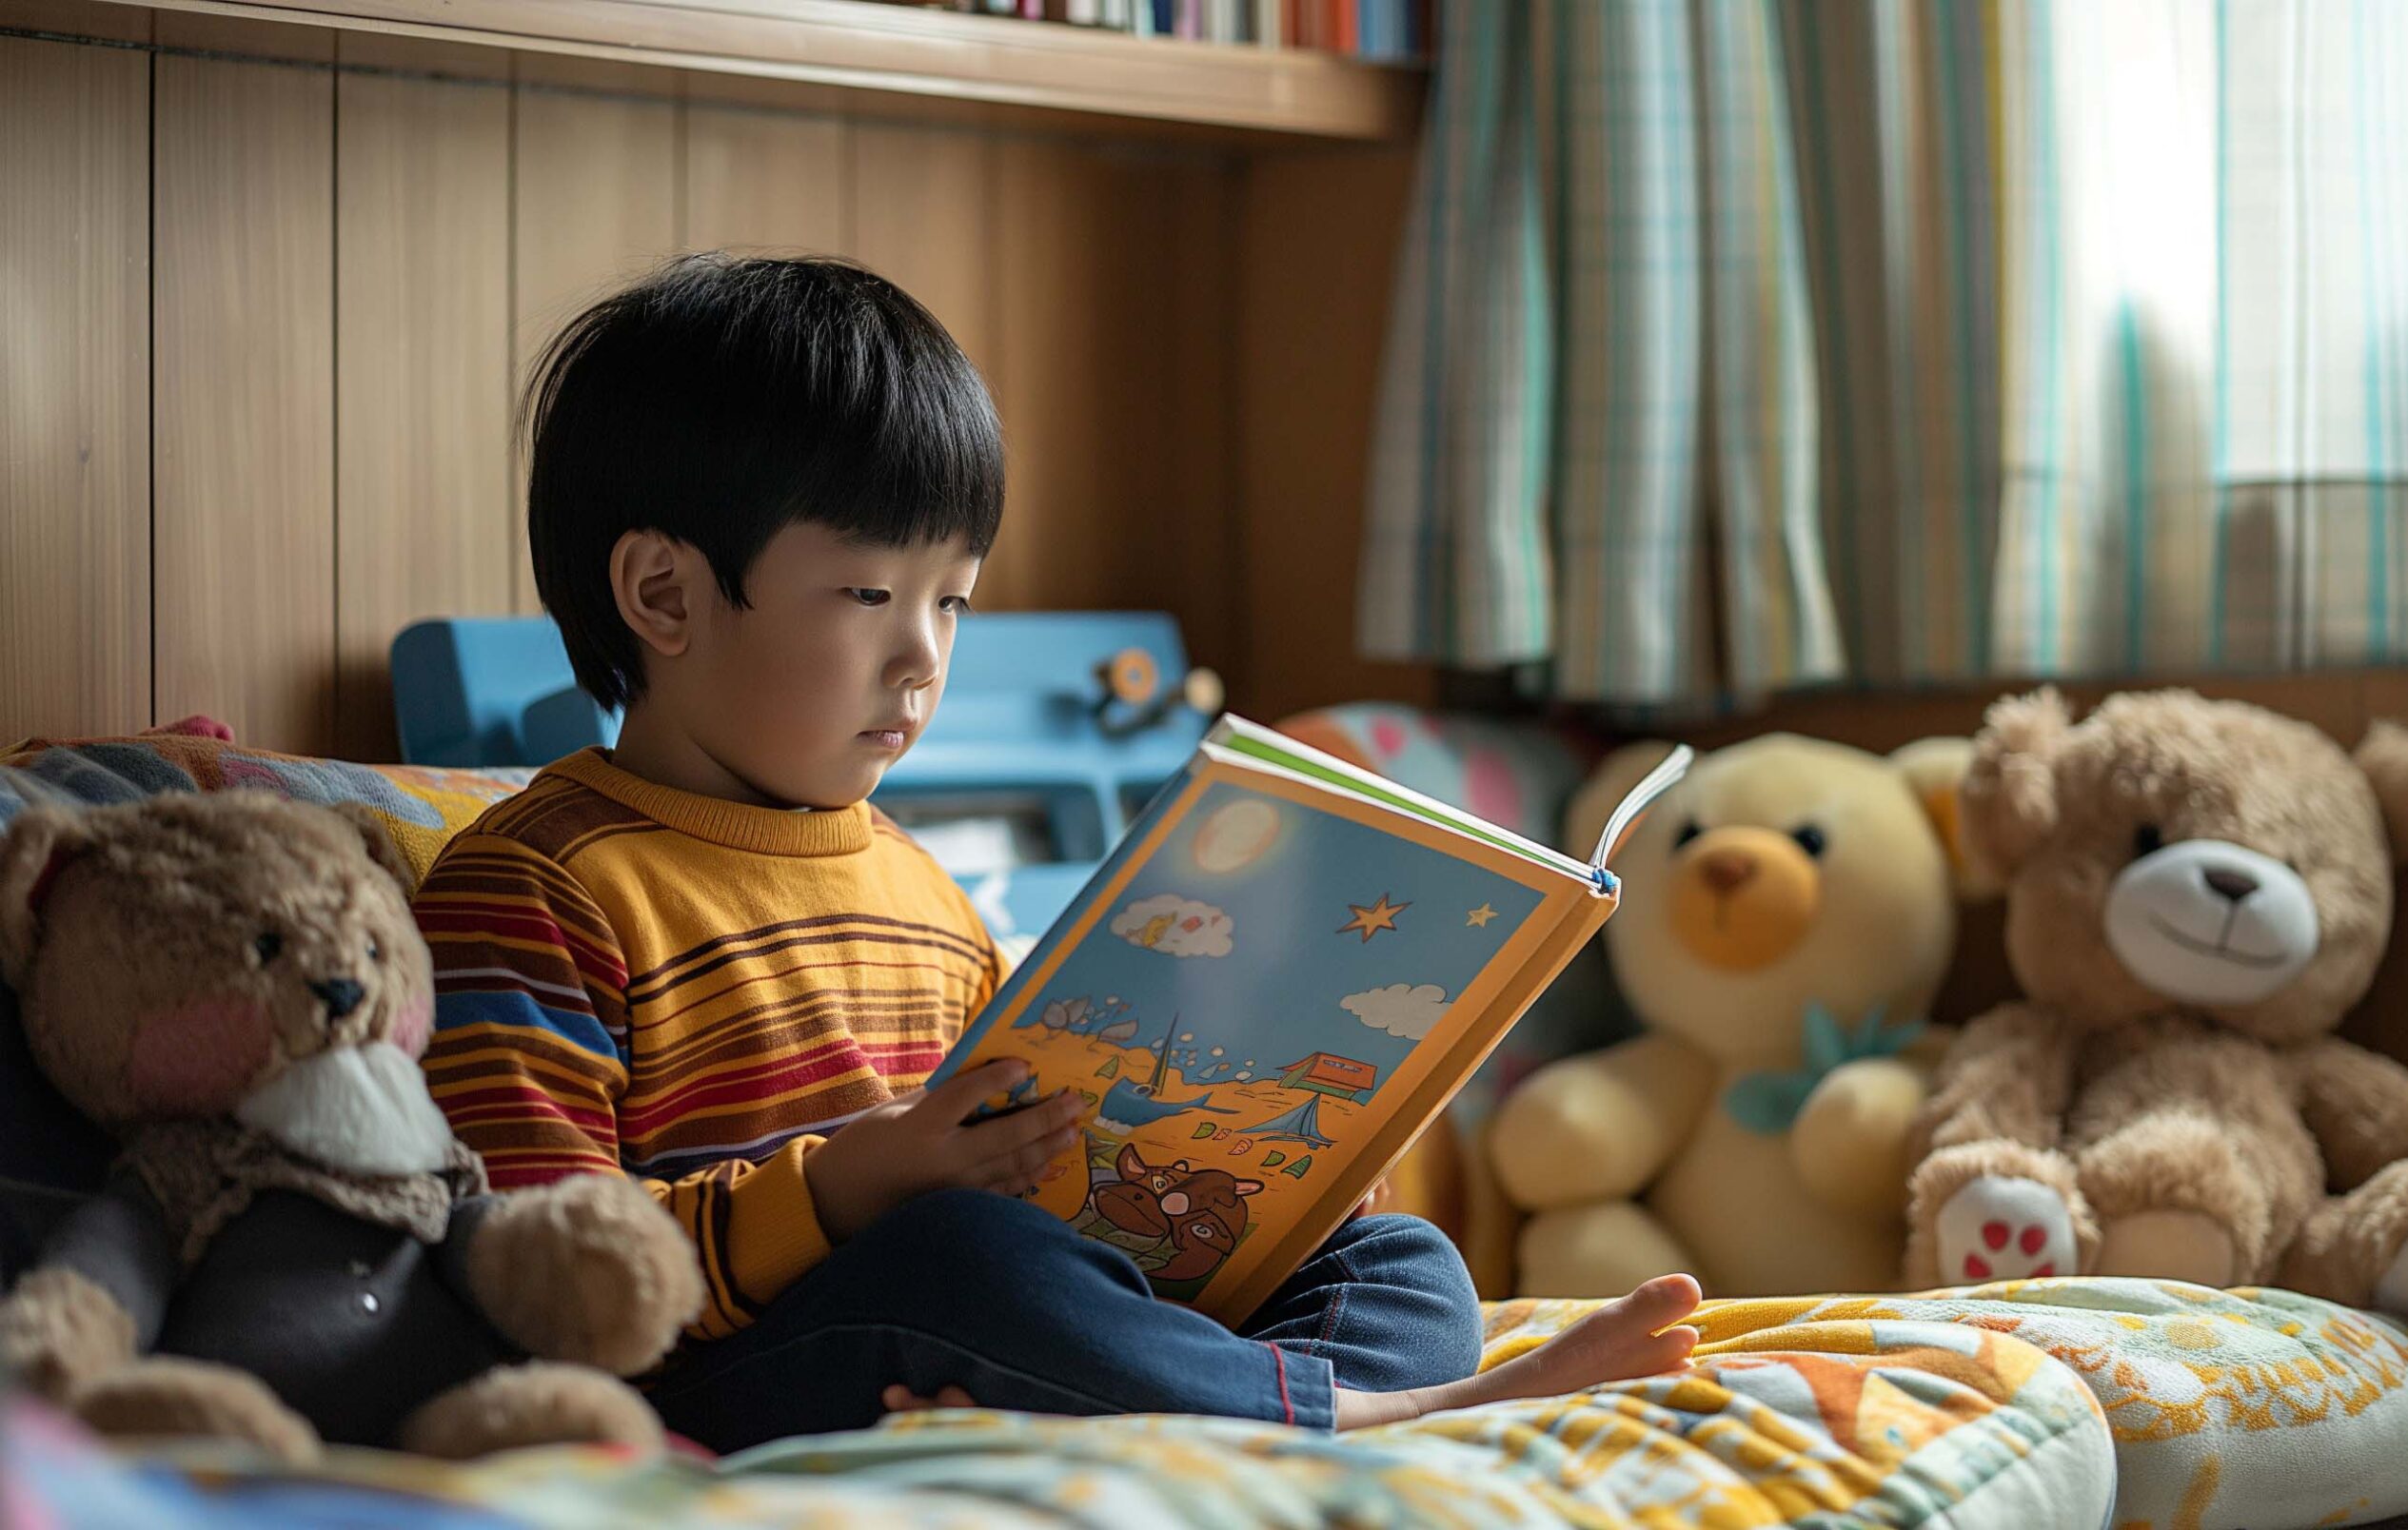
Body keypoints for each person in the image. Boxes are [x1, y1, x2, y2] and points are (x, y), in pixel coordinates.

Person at [413, 253, 1702, 1452]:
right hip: (732, 1365)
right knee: (963, 1263)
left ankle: (1269, 1395)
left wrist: (1262, 1186)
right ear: (665, 595)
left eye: (953, 598)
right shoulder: (539, 888)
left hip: (990, 1324)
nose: (922, 656)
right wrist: (850, 1186)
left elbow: (1046, 1165)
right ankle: (1373, 1419)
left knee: (1397, 1257)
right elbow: (532, 1270)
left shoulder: (920, 890)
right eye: (870, 596)